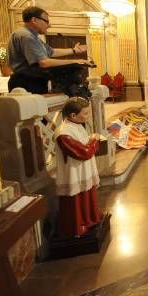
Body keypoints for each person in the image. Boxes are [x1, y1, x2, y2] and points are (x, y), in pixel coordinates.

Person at [7, 6, 92, 94]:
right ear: (34, 20)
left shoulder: (31, 36)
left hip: (31, 80)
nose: (49, 25)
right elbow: (44, 62)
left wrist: (73, 50)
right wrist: (76, 61)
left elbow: (51, 52)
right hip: (26, 82)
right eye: (46, 21)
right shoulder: (27, 36)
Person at [54, 97, 102, 238]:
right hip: (73, 173)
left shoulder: (76, 125)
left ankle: (89, 220)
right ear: (73, 115)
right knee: (75, 201)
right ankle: (76, 227)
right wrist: (95, 140)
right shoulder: (64, 133)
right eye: (85, 113)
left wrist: (91, 140)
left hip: (83, 170)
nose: (88, 116)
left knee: (87, 196)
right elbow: (84, 152)